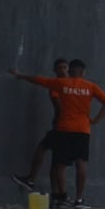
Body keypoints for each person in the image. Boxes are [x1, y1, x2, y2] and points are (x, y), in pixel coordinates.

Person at [10, 58, 105, 209]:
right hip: (83, 129)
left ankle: (62, 196)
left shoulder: (62, 84)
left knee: (60, 165)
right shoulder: (90, 86)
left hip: (64, 128)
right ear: (83, 72)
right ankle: (79, 199)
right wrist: (96, 120)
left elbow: (39, 80)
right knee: (81, 163)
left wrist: (20, 75)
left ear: (70, 71)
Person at [13, 57, 67, 192]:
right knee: (56, 163)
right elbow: (38, 80)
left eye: (64, 67)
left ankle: (32, 179)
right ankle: (57, 195)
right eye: (59, 67)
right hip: (64, 126)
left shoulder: (60, 86)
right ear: (55, 70)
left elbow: (59, 106)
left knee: (44, 150)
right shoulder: (58, 85)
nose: (62, 70)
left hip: (62, 126)